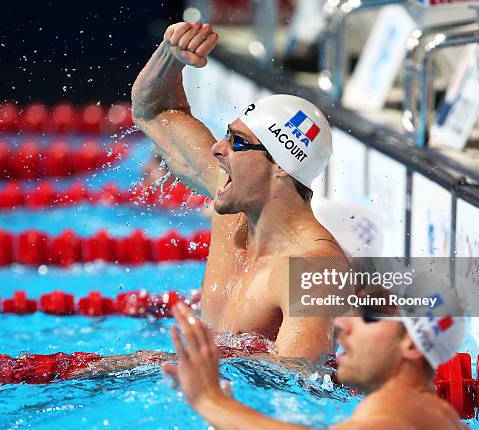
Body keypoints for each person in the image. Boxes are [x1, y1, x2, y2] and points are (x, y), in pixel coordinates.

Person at [131, 21, 348, 362]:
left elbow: (300, 375)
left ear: (281, 166)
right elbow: (155, 112)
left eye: (238, 143)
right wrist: (169, 57)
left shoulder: (313, 269)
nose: (218, 149)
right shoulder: (235, 206)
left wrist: (169, 363)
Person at [162, 281, 467, 430]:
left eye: (369, 315)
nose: (341, 324)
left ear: (412, 345)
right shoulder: (438, 417)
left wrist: (208, 399)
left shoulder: (395, 418)